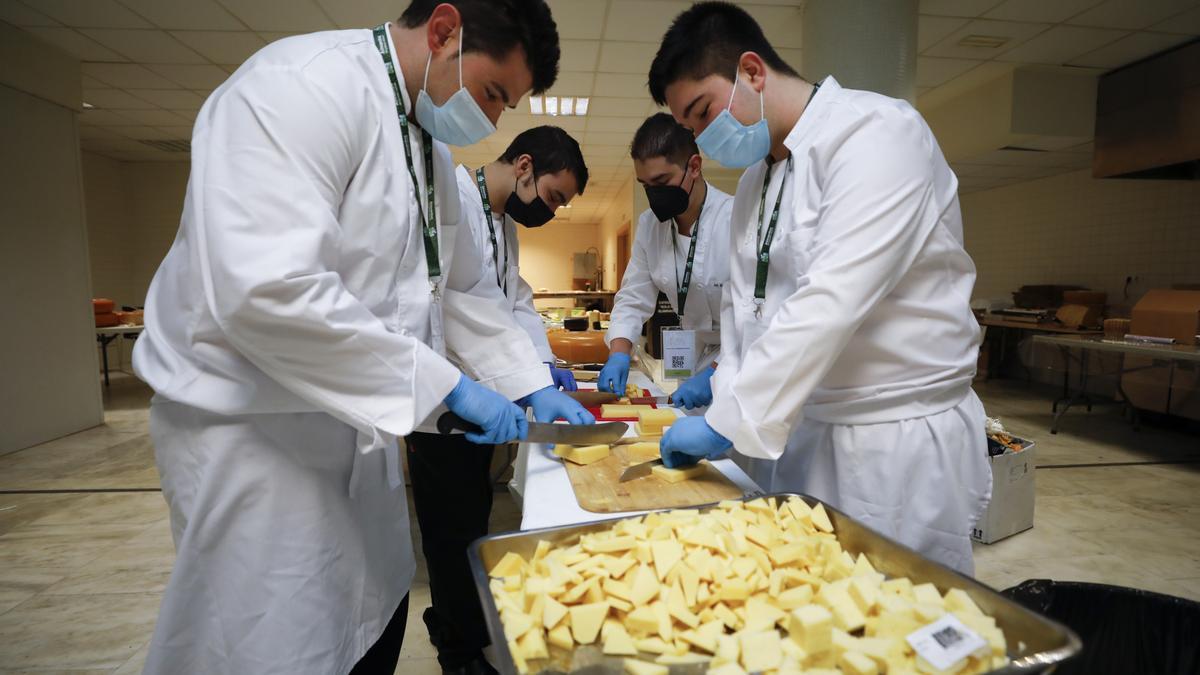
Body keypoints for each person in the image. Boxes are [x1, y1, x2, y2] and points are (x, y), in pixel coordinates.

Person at [131, 1, 590, 672]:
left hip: (362, 429)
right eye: (494, 92)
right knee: (275, 643)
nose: (492, 120)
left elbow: (456, 289)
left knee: (369, 623)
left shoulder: (426, 149)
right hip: (260, 439)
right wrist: (448, 385)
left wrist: (524, 382)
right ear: (443, 31)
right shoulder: (302, 86)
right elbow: (267, 290)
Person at [649, 1, 991, 575]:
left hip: (888, 439)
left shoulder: (877, 133)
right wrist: (729, 402)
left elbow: (832, 300)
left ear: (753, 72)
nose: (703, 139)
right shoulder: (759, 179)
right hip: (796, 429)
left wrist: (729, 422)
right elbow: (745, 317)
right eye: (691, 128)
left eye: (704, 112)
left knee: (891, 623)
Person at [406, 125, 592, 674]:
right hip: (444, 402)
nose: (552, 211)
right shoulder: (455, 203)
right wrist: (529, 382)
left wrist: (543, 365)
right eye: (554, 197)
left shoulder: (502, 222)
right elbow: (462, 305)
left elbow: (515, 301)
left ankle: (467, 629)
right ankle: (457, 652)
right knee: (451, 532)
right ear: (526, 166)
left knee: (474, 520)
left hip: (485, 399)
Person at [597, 113, 734, 410]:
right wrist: (619, 352)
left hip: (740, 358)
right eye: (645, 185)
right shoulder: (651, 226)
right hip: (690, 358)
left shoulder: (735, 219)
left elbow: (759, 318)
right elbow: (634, 297)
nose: (654, 194)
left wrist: (717, 372)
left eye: (661, 181)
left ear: (694, 167)